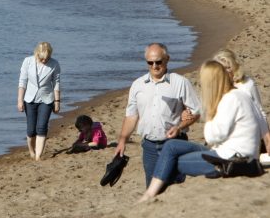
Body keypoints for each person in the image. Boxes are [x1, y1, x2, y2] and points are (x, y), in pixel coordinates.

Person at [139, 60, 268, 202]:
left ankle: (154, 196)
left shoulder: (230, 99)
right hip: (229, 152)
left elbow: (213, 136)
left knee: (172, 162)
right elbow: (261, 121)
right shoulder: (240, 94)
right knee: (172, 146)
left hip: (232, 161)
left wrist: (210, 113)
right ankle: (151, 194)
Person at [115, 43, 201, 186]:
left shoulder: (180, 83)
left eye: (158, 62)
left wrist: (180, 126)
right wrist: (122, 140)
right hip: (149, 147)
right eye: (150, 62)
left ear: (167, 59)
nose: (154, 66)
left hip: (174, 144)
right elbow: (131, 116)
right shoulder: (137, 85)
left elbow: (196, 111)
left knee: (173, 188)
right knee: (152, 188)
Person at [213, 48, 270, 152]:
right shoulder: (215, 87)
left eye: (228, 67)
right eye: (222, 69)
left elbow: (260, 112)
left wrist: (267, 140)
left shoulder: (247, 84)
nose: (226, 72)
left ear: (234, 66)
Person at [18, 42, 61, 161]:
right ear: (36, 54)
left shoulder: (54, 64)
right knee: (31, 130)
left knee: (41, 127)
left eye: (46, 58)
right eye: (41, 58)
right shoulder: (27, 61)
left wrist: (57, 102)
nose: (44, 60)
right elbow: (22, 82)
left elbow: (56, 83)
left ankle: (38, 156)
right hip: (29, 99)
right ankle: (32, 151)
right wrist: (20, 100)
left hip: (46, 99)